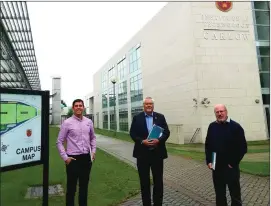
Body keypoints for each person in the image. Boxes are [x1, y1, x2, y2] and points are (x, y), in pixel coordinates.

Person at [129, 97, 170, 206]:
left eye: (150, 104)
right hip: (142, 155)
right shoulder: (137, 118)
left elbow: (166, 132)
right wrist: (142, 141)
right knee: (144, 182)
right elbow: (132, 133)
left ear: (153, 105)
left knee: (158, 182)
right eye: (146, 104)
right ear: (144, 105)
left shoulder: (160, 117)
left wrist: (159, 140)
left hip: (157, 154)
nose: (148, 106)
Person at [205, 104, 247, 206]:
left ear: (226, 112)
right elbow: (208, 145)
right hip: (216, 167)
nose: (220, 114)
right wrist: (209, 161)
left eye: (222, 111)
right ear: (215, 113)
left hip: (231, 167)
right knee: (219, 194)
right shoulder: (212, 126)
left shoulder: (236, 127)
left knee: (235, 195)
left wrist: (232, 163)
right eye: (217, 112)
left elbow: (242, 148)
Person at [56, 99, 96, 206]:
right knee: (71, 189)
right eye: (76, 106)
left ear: (83, 107)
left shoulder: (89, 122)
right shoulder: (67, 123)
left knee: (84, 188)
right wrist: (65, 157)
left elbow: (93, 138)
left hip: (86, 159)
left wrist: (93, 151)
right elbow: (59, 141)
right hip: (73, 159)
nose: (78, 107)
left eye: (80, 105)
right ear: (73, 108)